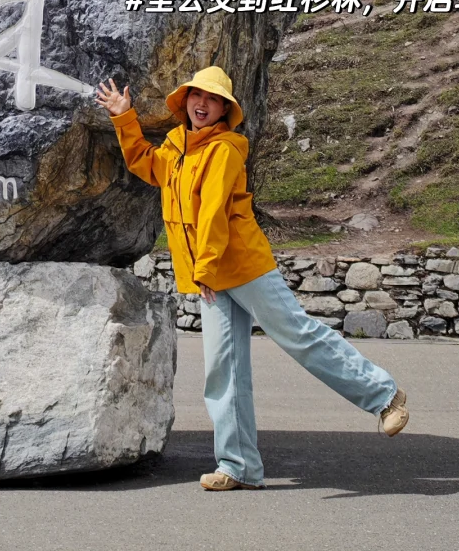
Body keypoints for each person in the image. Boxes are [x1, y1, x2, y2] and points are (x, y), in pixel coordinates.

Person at [95, 64, 408, 491]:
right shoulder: (177, 146)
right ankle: (238, 467)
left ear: (224, 108)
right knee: (223, 368)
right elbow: (145, 165)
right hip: (209, 274)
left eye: (212, 99)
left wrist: (203, 268)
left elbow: (213, 214)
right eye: (195, 97)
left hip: (240, 264)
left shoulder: (224, 149)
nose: (202, 104)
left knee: (297, 334)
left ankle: (385, 396)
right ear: (185, 102)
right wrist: (124, 116)